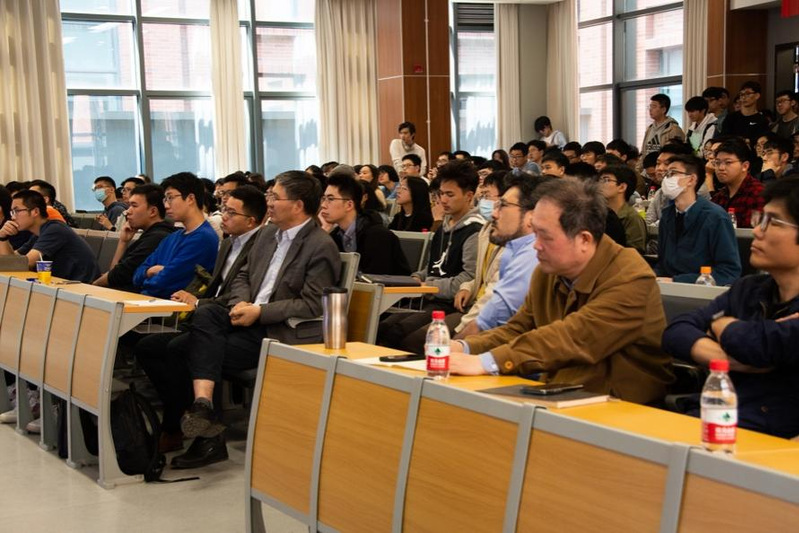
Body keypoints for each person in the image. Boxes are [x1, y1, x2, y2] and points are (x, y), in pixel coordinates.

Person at [165, 171, 340, 468]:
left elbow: (312, 304)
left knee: (186, 348)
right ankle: (203, 406)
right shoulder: (268, 234)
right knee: (205, 314)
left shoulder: (320, 245)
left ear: (297, 205)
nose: (268, 202)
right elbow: (243, 275)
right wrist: (241, 302)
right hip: (247, 316)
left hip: (278, 330)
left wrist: (260, 312)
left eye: (274, 197)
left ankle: (209, 434)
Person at [446, 178, 674, 405]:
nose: (535, 245)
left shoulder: (631, 277)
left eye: (545, 236)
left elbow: (574, 337)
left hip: (620, 404)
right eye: (534, 233)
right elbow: (518, 328)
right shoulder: (548, 271)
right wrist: (464, 347)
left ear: (584, 239)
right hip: (559, 392)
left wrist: (487, 362)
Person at [662, 177, 799, 439]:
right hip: (712, 422)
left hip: (771, 442)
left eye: (772, 222)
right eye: (760, 219)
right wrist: (723, 358)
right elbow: (676, 331)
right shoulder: (749, 289)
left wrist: (721, 325)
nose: (757, 231)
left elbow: (762, 346)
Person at [136, 186, 266, 453]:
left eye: (231, 213)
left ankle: (190, 430)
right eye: (224, 209)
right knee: (147, 347)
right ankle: (185, 415)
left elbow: (241, 298)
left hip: (232, 321)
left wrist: (198, 303)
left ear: (251, 221)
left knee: (183, 348)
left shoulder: (260, 247)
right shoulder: (228, 242)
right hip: (210, 315)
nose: (223, 216)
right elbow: (216, 288)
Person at [377, 160, 484, 349]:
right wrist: (417, 277)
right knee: (382, 327)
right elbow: (432, 267)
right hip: (428, 298)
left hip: (450, 304)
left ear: (469, 196)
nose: (443, 200)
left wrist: (428, 285)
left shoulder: (474, 231)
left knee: (405, 337)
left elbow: (468, 278)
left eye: (450, 195)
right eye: (441, 194)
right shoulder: (443, 227)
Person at [655, 154, 741, 285]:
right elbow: (662, 264)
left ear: (691, 179)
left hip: (701, 290)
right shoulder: (667, 215)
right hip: (666, 288)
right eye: (666, 174)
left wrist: (677, 281)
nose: (667, 179)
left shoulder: (715, 217)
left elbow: (729, 272)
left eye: (673, 173)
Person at [132, 172, 218, 299]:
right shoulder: (173, 236)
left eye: (170, 198)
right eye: (165, 199)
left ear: (190, 199)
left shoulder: (203, 238)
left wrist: (146, 278)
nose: (166, 205)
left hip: (173, 307)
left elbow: (164, 284)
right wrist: (150, 271)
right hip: (151, 301)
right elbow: (136, 275)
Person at [0, 190, 99, 282]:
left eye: (17, 211)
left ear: (35, 212)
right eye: (12, 212)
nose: (13, 217)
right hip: (60, 285)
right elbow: (12, 260)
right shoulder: (38, 233)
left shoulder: (55, 229)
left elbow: (26, 264)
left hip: (81, 287)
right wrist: (3, 237)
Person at [320, 173, 410, 275]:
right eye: (323, 199)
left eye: (330, 199)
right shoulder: (335, 236)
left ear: (349, 205)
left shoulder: (378, 236)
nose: (323, 205)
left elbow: (378, 279)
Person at [93, 184, 176, 291]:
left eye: (134, 206)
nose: (128, 211)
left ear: (153, 211)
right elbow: (115, 274)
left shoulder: (157, 237)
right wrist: (123, 241)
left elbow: (117, 276)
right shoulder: (152, 233)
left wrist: (93, 286)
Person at [711, 139, 765, 228]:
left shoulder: (758, 193)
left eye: (728, 162)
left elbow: (756, 232)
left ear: (745, 166)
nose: (721, 168)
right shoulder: (719, 197)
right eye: (717, 163)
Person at [599, 165, 647, 254]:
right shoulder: (598, 213)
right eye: (599, 180)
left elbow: (635, 253)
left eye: (606, 180)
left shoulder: (632, 218)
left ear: (622, 187)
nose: (600, 184)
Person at [638, 94, 685, 172]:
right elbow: (643, 152)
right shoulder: (649, 128)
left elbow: (678, 155)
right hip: (648, 171)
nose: (650, 109)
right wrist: (638, 170)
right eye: (650, 106)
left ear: (663, 109)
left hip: (663, 171)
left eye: (654, 106)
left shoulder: (673, 129)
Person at [722, 81, 771, 146]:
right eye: (741, 94)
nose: (744, 97)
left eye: (748, 94)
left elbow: (761, 141)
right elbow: (724, 137)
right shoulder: (731, 117)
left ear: (757, 95)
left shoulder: (762, 120)